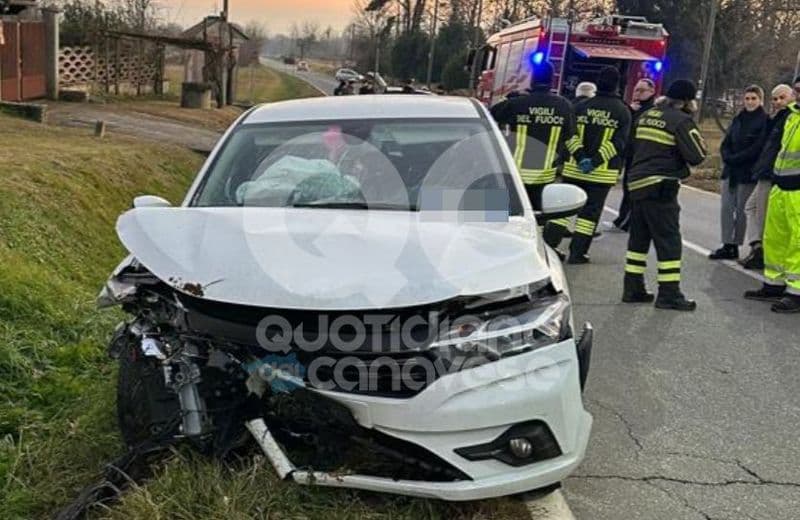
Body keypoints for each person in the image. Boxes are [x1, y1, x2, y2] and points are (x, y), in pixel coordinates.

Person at [622, 80, 708, 311]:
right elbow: (697, 155)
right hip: (660, 185)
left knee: (638, 238)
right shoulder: (680, 121)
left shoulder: (647, 115)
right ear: (688, 101)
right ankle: (669, 293)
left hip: (636, 184)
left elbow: (630, 146)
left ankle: (633, 288)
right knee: (668, 240)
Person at [547, 66, 631, 263]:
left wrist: (580, 157)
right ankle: (578, 253)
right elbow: (618, 143)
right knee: (589, 216)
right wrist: (595, 162)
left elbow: (569, 136)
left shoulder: (580, 106)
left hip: (573, 170)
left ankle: (549, 247)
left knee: (562, 211)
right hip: (601, 174)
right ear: (617, 85)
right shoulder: (623, 111)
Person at [490, 60, 581, 221]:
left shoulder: (517, 104)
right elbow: (570, 136)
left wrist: (508, 98)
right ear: (552, 81)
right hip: (544, 177)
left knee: (510, 218)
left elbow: (491, 115)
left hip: (517, 175)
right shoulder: (563, 106)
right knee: (537, 220)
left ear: (532, 80)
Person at [743, 96, 800, 313]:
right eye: (796, 89)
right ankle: (774, 283)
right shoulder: (791, 116)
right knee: (775, 238)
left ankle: (796, 292)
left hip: (797, 189)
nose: (798, 93)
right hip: (781, 184)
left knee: (797, 241)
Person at [709, 85, 769, 260]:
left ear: (760, 100)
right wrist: (727, 156)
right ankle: (727, 243)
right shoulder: (738, 119)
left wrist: (737, 158)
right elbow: (726, 142)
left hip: (747, 172)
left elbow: (757, 147)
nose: (750, 102)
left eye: (754, 98)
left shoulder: (764, 121)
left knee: (742, 210)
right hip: (730, 170)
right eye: (747, 98)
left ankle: (736, 243)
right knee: (726, 208)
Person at [740, 84, 796, 269]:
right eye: (774, 98)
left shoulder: (789, 118)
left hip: (775, 175)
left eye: (782, 97)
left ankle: (761, 251)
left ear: (791, 97)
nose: (778, 101)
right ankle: (757, 246)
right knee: (751, 207)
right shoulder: (777, 118)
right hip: (766, 171)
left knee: (763, 215)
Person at [608, 78, 657, 232]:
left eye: (642, 91)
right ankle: (623, 219)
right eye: (636, 90)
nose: (638, 94)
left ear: (652, 92)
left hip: (641, 156)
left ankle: (626, 222)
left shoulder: (651, 111)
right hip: (630, 155)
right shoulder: (631, 109)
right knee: (627, 188)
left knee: (633, 190)